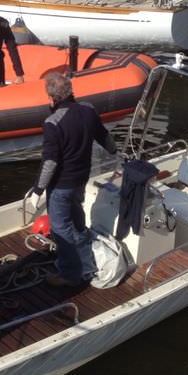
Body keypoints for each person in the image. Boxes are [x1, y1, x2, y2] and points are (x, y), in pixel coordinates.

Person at [29, 72, 117, 287]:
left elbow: (50, 162)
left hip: (61, 185)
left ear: (51, 99)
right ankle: (85, 260)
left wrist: (38, 190)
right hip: (80, 179)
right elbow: (105, 137)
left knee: (60, 229)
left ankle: (70, 275)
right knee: (77, 220)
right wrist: (116, 153)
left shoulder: (53, 123)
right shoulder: (88, 109)